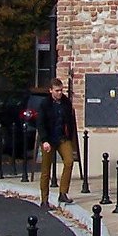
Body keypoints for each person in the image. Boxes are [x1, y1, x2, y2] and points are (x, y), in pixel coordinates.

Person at [38, 77, 78, 207]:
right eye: (57, 90)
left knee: (69, 161)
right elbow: (41, 123)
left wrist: (69, 136)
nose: (59, 93)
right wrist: (44, 140)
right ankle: (44, 199)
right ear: (51, 90)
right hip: (49, 139)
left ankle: (63, 193)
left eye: (61, 90)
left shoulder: (66, 102)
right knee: (46, 170)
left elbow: (70, 120)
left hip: (62, 137)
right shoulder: (45, 104)